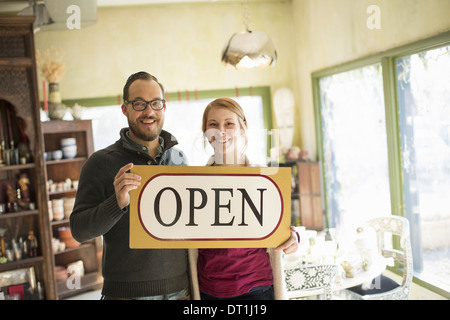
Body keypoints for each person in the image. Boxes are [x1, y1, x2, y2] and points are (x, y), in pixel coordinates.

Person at [69, 71, 190, 300]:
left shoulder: (180, 159)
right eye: (139, 103)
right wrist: (117, 203)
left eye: (156, 103)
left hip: (181, 292)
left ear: (164, 107)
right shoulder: (100, 163)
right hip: (126, 296)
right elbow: (79, 231)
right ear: (124, 109)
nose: (149, 111)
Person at [189, 97, 299, 300]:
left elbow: (283, 228)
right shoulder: (192, 184)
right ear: (205, 131)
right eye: (213, 124)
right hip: (208, 290)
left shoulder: (266, 180)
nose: (221, 131)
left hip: (257, 288)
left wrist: (293, 238)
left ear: (243, 127)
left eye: (229, 124)